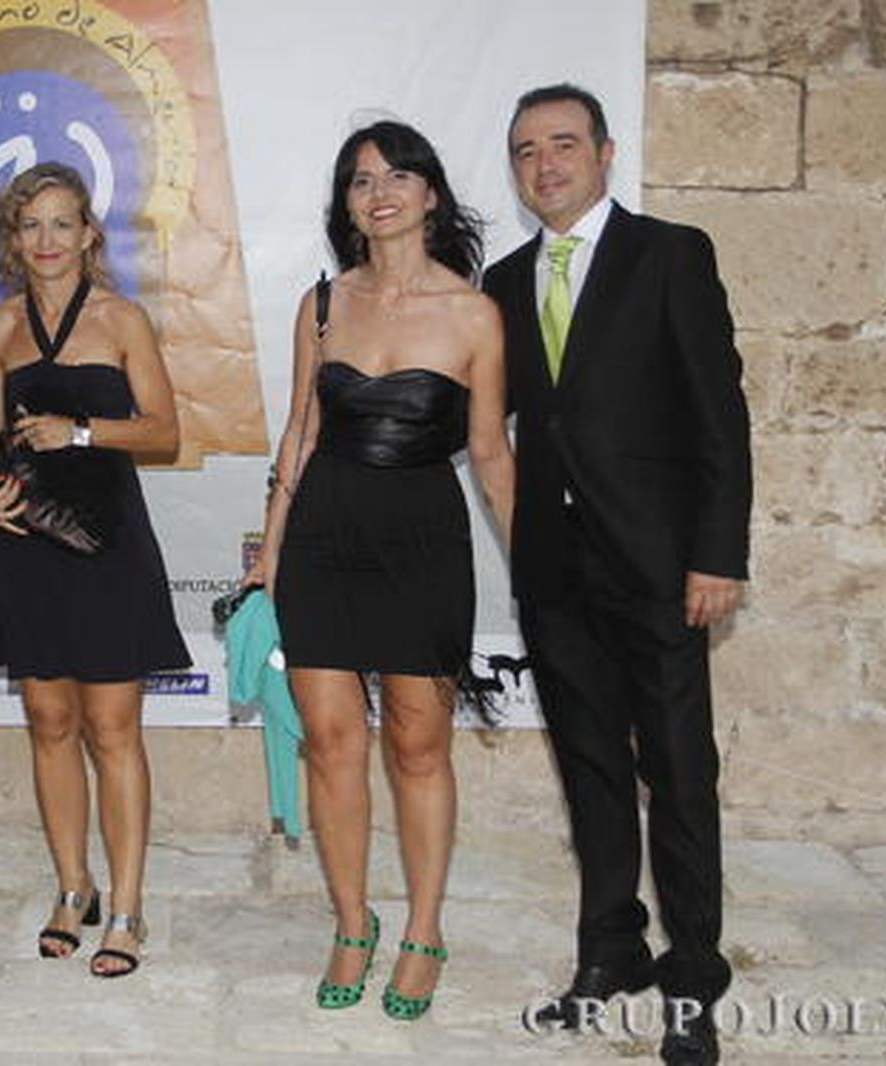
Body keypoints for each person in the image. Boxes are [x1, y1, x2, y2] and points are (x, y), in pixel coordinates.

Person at [482, 85, 752, 1066]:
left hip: (659, 565)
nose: (544, 164)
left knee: (678, 772)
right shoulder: (503, 281)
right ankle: (610, 950)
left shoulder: (670, 255)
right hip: (554, 570)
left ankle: (694, 976)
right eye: (525, 151)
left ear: (604, 152)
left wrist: (717, 554)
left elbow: (719, 414)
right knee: (589, 768)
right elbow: (508, 422)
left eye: (562, 144)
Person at [252, 121, 515, 1021]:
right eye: (361, 180)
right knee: (330, 742)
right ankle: (351, 922)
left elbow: (490, 454)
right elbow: (300, 431)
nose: (380, 192)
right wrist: (270, 552)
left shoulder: (474, 314)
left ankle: (425, 929)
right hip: (323, 535)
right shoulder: (322, 304)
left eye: (398, 175)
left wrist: (537, 563)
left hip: (422, 540)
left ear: (431, 194)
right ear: (348, 204)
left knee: (418, 745)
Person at [0, 162, 189, 978]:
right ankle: (72, 888)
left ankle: (126, 909)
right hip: (25, 545)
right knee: (49, 722)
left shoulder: (122, 320)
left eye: (62, 223)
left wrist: (81, 431)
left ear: (89, 234)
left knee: (113, 729)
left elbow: (163, 431)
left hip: (106, 543)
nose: (47, 239)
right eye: (31, 225)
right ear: (12, 240)